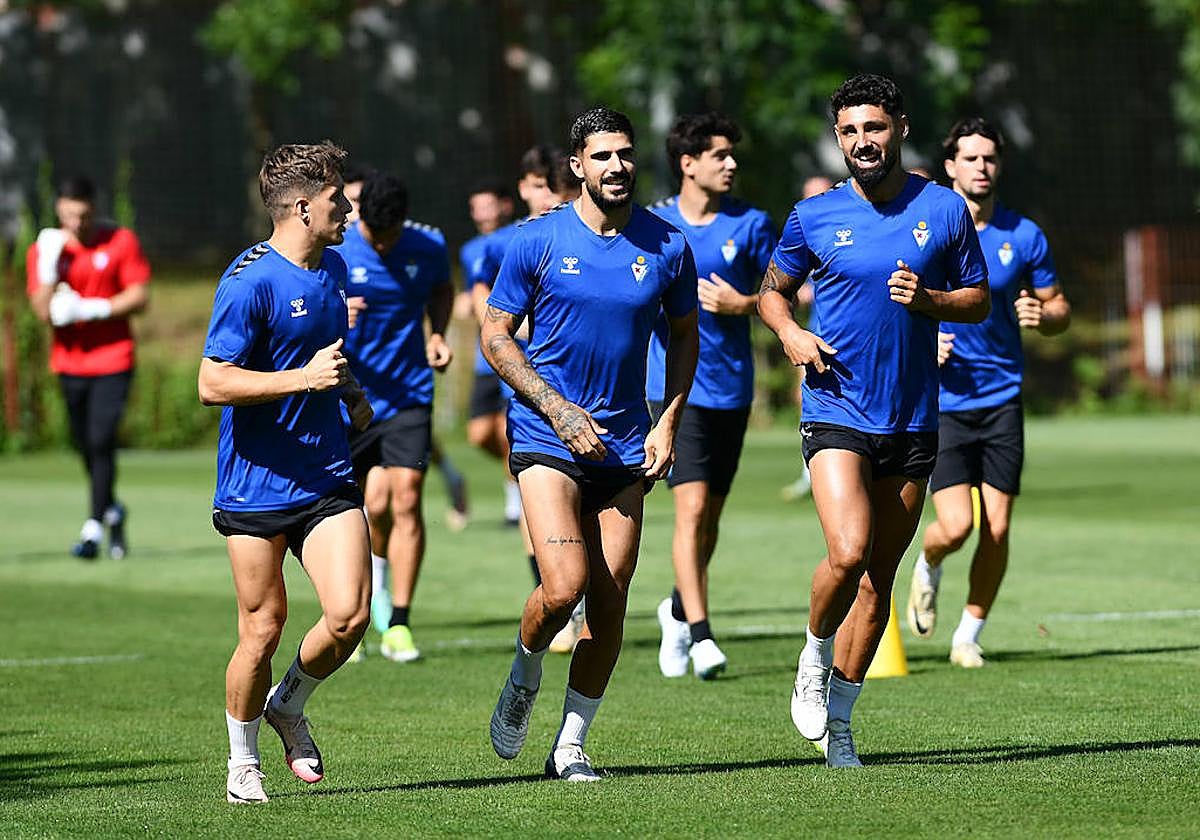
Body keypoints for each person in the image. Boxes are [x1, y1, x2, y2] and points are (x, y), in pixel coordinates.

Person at [757, 74, 990, 768]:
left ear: (900, 128)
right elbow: (772, 294)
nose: (863, 141)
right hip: (835, 406)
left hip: (914, 418)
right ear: (838, 139)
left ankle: (844, 721)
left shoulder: (945, 211)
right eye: (851, 131)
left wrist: (933, 300)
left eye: (875, 128)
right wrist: (792, 336)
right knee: (849, 549)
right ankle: (813, 651)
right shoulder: (813, 216)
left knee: (877, 576)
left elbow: (978, 301)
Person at [482, 107, 698, 781]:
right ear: (577, 165)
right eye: (602, 156)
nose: (617, 167)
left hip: (627, 443)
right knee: (564, 585)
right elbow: (495, 336)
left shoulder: (667, 245)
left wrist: (668, 423)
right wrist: (553, 404)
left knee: (609, 599)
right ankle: (523, 675)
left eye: (625, 154)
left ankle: (571, 744)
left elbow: (687, 336)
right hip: (548, 433)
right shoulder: (536, 241)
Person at [198, 141, 373, 804]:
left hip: (325, 475)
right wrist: (304, 379)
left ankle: (287, 703)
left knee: (351, 613)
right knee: (263, 627)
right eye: (338, 198)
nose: (349, 208)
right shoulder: (249, 280)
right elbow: (212, 382)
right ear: (303, 206)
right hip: (255, 484)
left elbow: (323, 356)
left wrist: (350, 396)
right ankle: (243, 763)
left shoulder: (333, 270)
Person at [905, 117, 1071, 668]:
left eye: (990, 158)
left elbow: (1059, 306)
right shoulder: (925, 228)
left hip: (1001, 398)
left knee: (997, 526)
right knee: (956, 526)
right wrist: (921, 340)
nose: (982, 167)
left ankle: (968, 635)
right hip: (943, 401)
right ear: (950, 166)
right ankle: (928, 565)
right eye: (970, 158)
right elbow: (890, 297)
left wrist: (1044, 316)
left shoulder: (1024, 234)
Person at [648, 112, 776, 680]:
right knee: (691, 509)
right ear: (687, 163)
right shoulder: (652, 227)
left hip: (732, 389)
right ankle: (702, 636)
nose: (731, 164)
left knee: (711, 521)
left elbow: (781, 295)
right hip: (675, 389)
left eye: (733, 154)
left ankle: (676, 610)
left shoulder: (751, 224)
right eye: (719, 154)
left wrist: (741, 304)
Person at [337, 169, 454, 664]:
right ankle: (355, 609)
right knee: (365, 506)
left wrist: (437, 333)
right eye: (374, 236)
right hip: (349, 397)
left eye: (391, 237)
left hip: (409, 394)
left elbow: (442, 291)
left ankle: (400, 623)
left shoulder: (427, 246)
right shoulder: (337, 249)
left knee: (406, 499)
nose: (382, 246)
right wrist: (337, 313)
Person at [26, 175, 150, 560]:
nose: (76, 224)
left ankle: (94, 526)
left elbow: (140, 296)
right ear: (59, 211)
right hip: (70, 362)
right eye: (67, 216)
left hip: (113, 358)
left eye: (82, 215)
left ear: (93, 208)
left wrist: (93, 308)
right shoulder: (47, 248)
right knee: (84, 444)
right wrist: (48, 267)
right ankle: (113, 509)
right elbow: (42, 310)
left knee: (101, 439)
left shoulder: (119, 241)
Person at [779, 175, 833, 503]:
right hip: (812, 332)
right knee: (806, 399)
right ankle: (810, 472)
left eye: (821, 192)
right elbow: (779, 285)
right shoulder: (802, 228)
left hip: (847, 338)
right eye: (810, 193)